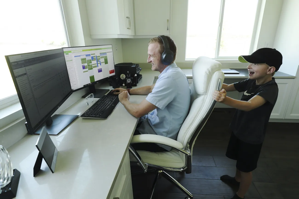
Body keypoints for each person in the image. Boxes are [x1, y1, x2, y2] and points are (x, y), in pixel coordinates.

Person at [213, 48, 283, 199]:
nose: (249, 66)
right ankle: (236, 180)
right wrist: (213, 82)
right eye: (250, 63)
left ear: (270, 69)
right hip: (240, 129)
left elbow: (249, 105)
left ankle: (241, 195)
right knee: (239, 160)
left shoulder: (270, 89)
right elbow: (228, 87)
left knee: (246, 168)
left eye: (255, 63)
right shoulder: (251, 82)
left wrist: (225, 100)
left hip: (252, 136)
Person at [113, 35, 190, 152]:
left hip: (158, 139)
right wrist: (128, 91)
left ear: (166, 57)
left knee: (116, 136)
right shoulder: (173, 72)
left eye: (152, 56)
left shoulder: (170, 79)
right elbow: (151, 88)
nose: (148, 60)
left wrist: (124, 100)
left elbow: (137, 111)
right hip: (155, 128)